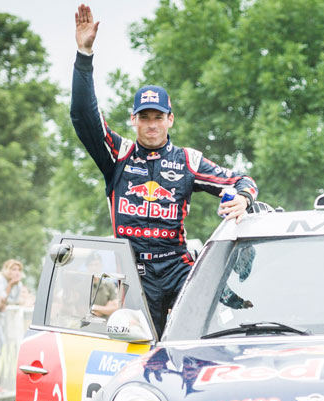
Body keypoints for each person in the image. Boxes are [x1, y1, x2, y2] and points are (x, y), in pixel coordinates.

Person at [71, 4, 259, 335]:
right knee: (139, 345)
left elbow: (242, 180)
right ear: (133, 120)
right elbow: (83, 117)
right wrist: (84, 56)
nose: (152, 124)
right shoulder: (120, 154)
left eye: (158, 116)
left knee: (210, 326)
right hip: (132, 270)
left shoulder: (188, 160)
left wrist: (243, 198)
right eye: (144, 117)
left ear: (170, 119)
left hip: (176, 266)